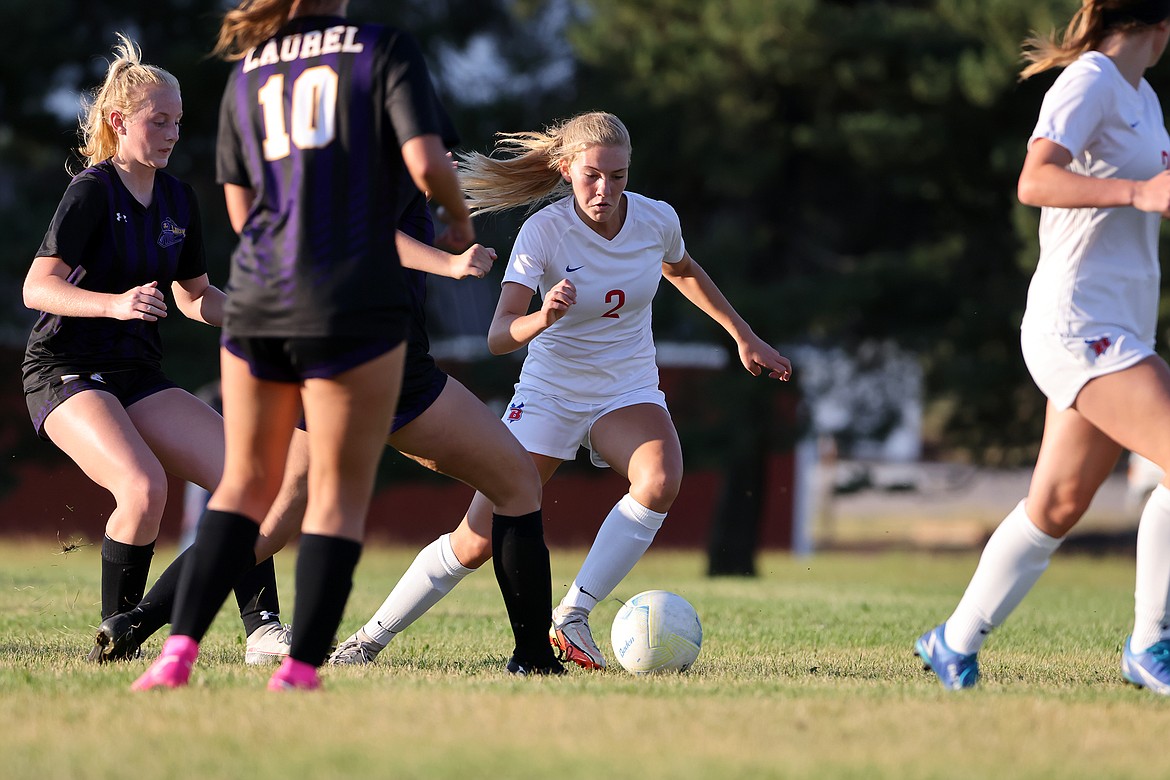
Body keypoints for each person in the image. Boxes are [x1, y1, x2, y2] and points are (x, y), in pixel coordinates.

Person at [132, 0, 530, 693]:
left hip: (261, 296)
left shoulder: (251, 68)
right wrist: (457, 225)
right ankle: (298, 670)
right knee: (337, 497)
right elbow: (426, 164)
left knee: (244, 489)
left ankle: (176, 655)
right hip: (350, 305)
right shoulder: (381, 50)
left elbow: (240, 209)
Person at [330, 110, 792, 671]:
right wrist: (544, 316)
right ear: (567, 169)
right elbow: (499, 335)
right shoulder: (543, 231)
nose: (605, 190)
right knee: (476, 540)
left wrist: (744, 336)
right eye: (592, 176)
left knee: (660, 479)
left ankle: (572, 615)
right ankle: (367, 641)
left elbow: (683, 269)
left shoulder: (656, 219)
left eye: (618, 176)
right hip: (549, 394)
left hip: (626, 387)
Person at [915, 0, 1170, 694]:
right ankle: (1152, 642)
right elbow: (1035, 180)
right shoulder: (1089, 80)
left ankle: (952, 641)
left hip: (1120, 325)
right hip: (1078, 323)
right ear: (1160, 28)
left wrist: (1147, 196)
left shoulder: (1143, 96)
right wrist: (1138, 193)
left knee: (1055, 504)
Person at [20, 33, 289, 665]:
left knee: (246, 481)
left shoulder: (176, 198)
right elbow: (37, 288)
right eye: (158, 120)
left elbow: (195, 297)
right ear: (119, 122)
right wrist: (114, 304)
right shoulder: (92, 191)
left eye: (178, 121)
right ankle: (117, 640)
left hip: (136, 371)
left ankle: (263, 631)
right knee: (143, 489)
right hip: (65, 369)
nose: (172, 133)